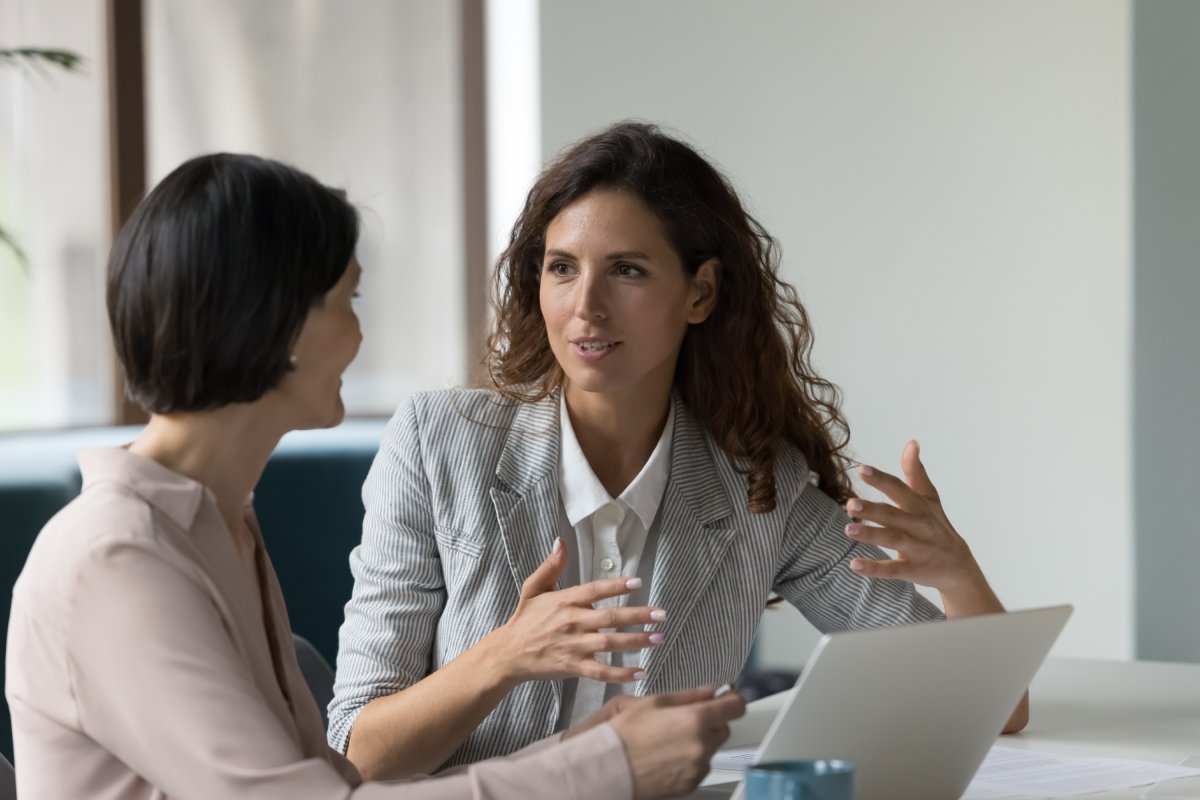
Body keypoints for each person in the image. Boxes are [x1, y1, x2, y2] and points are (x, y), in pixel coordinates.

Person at [3, 152, 745, 800]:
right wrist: (607, 769)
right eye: (347, 300)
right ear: (277, 325)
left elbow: (330, 782)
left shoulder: (219, 526)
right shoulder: (118, 558)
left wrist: (583, 750)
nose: (361, 333)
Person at [329, 120, 1029, 780]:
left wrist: (957, 573)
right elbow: (356, 753)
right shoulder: (438, 442)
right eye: (562, 268)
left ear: (700, 292)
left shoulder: (760, 487)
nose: (586, 306)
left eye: (627, 271)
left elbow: (996, 708)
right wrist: (502, 659)